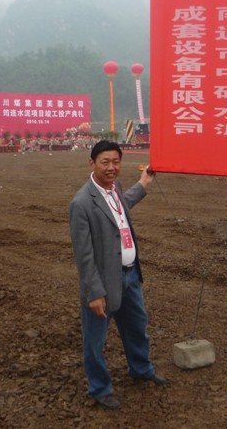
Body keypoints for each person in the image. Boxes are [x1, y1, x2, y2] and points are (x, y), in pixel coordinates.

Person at [69, 140, 166, 410]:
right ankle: (100, 388)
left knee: (137, 327)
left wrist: (144, 183)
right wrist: (94, 293)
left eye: (116, 162)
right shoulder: (81, 203)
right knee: (95, 340)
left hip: (130, 277)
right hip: (103, 283)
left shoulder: (116, 188)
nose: (111, 167)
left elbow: (123, 206)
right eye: (105, 162)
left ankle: (141, 369)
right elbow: (83, 255)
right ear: (92, 163)